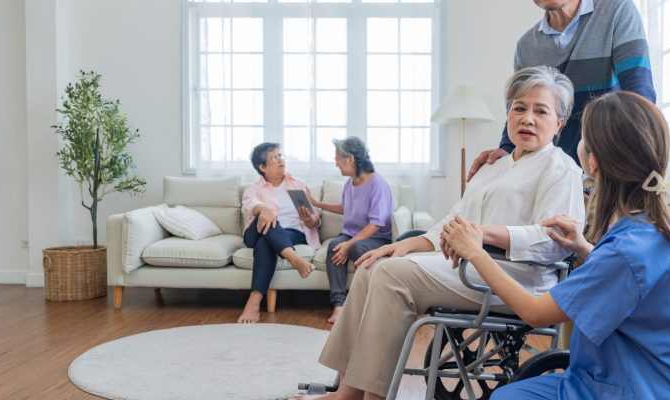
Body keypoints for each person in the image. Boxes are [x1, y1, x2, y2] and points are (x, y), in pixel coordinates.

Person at [308, 66, 586, 400]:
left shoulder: (561, 168)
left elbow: (553, 241)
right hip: (467, 266)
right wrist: (407, 244)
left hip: (513, 277)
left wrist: (481, 235)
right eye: (519, 108)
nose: (527, 118)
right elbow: (453, 220)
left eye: (541, 111)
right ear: (508, 114)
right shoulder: (494, 164)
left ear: (559, 123)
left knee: (393, 277)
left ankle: (373, 396)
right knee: (372, 265)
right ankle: (347, 392)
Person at [441, 91, 670, 399]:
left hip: (628, 389)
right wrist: (583, 248)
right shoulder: (664, 228)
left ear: (592, 162)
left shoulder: (624, 250)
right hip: (666, 384)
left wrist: (475, 251)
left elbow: (536, 313)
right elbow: (633, 283)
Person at [468, 0, 656, 176]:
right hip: (552, 175)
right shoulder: (526, 47)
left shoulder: (616, 10)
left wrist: (629, 164)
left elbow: (640, 98)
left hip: (610, 169)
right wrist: (506, 151)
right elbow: (520, 107)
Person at [307, 137, 394, 324]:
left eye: (338, 158)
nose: (336, 163)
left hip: (377, 238)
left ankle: (368, 304)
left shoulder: (377, 184)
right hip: (353, 234)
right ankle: (339, 305)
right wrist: (317, 204)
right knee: (334, 246)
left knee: (355, 248)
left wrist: (349, 244)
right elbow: (345, 208)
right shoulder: (350, 183)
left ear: (350, 159)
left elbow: (376, 224)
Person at [237, 143, 321, 324]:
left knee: (266, 242)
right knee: (269, 220)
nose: (280, 160)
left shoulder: (297, 184)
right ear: (262, 167)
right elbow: (249, 205)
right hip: (256, 232)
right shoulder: (254, 188)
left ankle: (254, 301)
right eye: (274, 158)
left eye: (281, 156)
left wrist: (309, 220)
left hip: (292, 233)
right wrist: (263, 210)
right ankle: (294, 258)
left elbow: (315, 219)